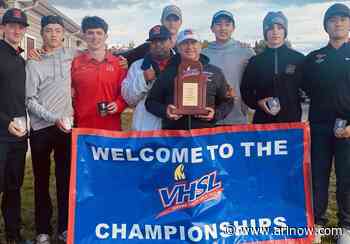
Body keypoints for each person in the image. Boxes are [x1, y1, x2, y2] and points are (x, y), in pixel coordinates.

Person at [301, 3, 350, 244]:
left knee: (346, 178)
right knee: (318, 177)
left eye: (342, 19)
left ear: (349, 24)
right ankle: (318, 223)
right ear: (326, 26)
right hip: (319, 126)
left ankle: (346, 226)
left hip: (348, 128)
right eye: (332, 20)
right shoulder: (313, 58)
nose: (337, 23)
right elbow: (301, 86)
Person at [26, 15, 74, 244]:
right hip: (41, 128)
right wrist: (52, 118)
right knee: (41, 180)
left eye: (57, 30)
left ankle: (65, 227)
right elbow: (29, 99)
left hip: (65, 128)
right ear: (41, 33)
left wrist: (125, 60)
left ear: (63, 34)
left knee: (65, 179)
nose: (53, 35)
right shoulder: (33, 62)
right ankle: (42, 229)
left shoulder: (71, 56)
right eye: (48, 31)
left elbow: (101, 52)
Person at [145, 28, 234, 130]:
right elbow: (150, 102)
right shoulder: (167, 73)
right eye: (185, 43)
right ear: (178, 47)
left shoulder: (215, 72)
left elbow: (227, 101)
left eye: (193, 43)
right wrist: (165, 111)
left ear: (200, 46)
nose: (189, 47)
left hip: (205, 135)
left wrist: (215, 114)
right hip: (174, 136)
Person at [240, 11, 304, 124]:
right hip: (262, 122)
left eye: (279, 28)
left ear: (285, 31)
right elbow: (245, 91)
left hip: (291, 121)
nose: (275, 32)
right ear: (265, 32)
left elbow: (311, 87)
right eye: (270, 28)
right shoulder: (255, 61)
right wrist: (257, 102)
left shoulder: (298, 59)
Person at [0, 8, 29, 244]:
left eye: (20, 27)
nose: (16, 30)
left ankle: (13, 236)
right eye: (11, 25)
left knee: (14, 188)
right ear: (3, 28)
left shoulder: (20, 59)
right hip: (0, 133)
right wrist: (5, 122)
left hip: (19, 135)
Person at [71, 16, 127, 130]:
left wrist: (118, 104)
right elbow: (67, 93)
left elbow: (126, 93)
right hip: (82, 128)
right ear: (84, 35)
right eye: (90, 33)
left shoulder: (119, 64)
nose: (95, 37)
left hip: (111, 129)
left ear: (106, 36)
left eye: (99, 33)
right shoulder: (75, 63)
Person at [202, 10, 255, 125]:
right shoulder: (203, 54)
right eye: (218, 24)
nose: (223, 28)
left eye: (227, 24)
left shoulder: (246, 51)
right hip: (210, 117)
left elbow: (256, 80)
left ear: (233, 28)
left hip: (238, 117)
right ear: (212, 28)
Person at [121, 25, 173, 131]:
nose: (158, 44)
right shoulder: (137, 66)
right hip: (145, 131)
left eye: (162, 40)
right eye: (154, 41)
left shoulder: (181, 64)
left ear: (171, 41)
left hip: (175, 131)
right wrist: (143, 80)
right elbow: (129, 100)